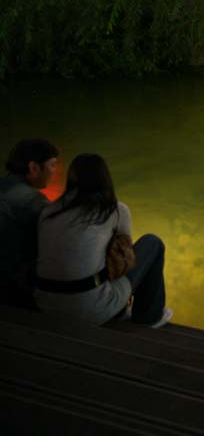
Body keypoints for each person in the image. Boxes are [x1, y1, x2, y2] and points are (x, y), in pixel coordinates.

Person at [34, 153, 172, 328]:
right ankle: (148, 317)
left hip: (45, 303)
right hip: (87, 310)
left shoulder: (49, 211)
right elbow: (125, 260)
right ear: (104, 177)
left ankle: (117, 307)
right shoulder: (115, 210)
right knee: (152, 243)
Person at [0, 139, 59, 309]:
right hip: (12, 290)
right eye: (52, 165)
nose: (54, 171)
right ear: (34, 168)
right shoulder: (33, 201)